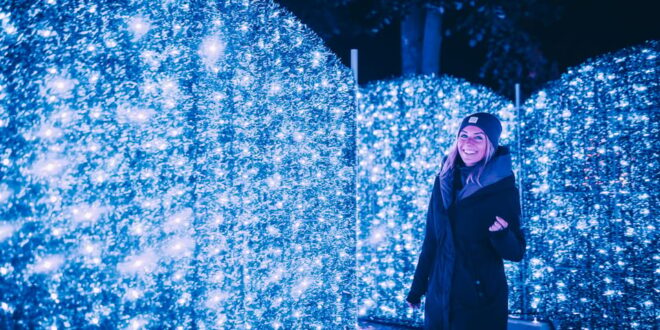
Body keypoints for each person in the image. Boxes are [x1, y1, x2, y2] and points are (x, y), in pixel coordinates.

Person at [406, 112, 526, 329]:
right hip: (439, 296)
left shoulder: (502, 189)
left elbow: (516, 252)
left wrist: (501, 235)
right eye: (464, 135)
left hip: (479, 302)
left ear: (490, 143)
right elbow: (432, 240)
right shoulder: (444, 181)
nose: (468, 143)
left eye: (478, 137)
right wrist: (417, 289)